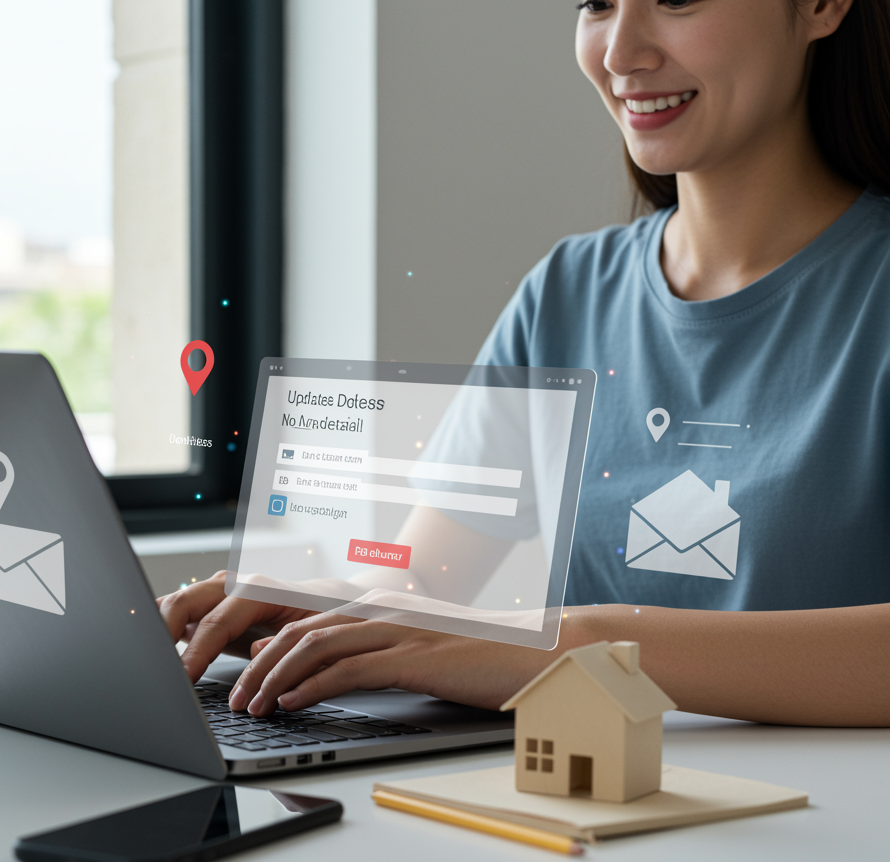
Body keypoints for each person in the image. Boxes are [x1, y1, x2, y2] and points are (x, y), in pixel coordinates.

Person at [160, 0, 890, 727]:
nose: (620, 51)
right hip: (581, 817)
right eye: (597, 4)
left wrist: (578, 644)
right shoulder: (566, 292)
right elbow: (431, 583)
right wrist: (328, 611)